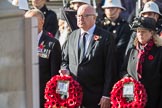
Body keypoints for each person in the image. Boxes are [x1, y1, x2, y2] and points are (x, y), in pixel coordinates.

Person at [60, 4, 117, 108]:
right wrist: (65, 70)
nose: (80, 19)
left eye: (85, 16)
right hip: (73, 95)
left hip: (95, 96)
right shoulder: (73, 35)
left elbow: (111, 68)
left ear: (94, 18)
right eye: (78, 16)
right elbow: (64, 60)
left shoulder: (106, 37)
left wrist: (106, 94)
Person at [121, 17, 162, 107]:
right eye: (138, 31)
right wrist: (128, 79)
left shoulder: (159, 51)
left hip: (153, 100)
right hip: (132, 98)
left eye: (143, 31)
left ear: (151, 33)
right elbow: (123, 70)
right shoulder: (132, 50)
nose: (140, 34)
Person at [24, 9, 61, 108]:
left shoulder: (52, 43)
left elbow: (55, 75)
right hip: (24, 94)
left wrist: (53, 97)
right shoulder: (21, 40)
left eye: (34, 20)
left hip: (43, 96)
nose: (30, 23)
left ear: (42, 21)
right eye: (28, 21)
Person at [101, 0, 132, 73]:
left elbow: (121, 47)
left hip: (117, 64)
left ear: (119, 10)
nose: (109, 10)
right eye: (107, 8)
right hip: (100, 63)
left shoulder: (125, 26)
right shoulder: (99, 25)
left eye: (112, 8)